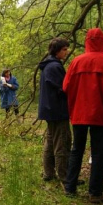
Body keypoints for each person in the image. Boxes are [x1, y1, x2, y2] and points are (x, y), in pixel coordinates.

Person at [62, 28, 103, 203]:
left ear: (87, 41)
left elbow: (66, 86)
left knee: (77, 149)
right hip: (100, 113)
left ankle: (70, 188)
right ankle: (95, 193)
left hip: (79, 113)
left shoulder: (76, 61)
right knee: (99, 153)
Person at [38, 38, 71, 183]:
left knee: (51, 142)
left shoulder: (49, 65)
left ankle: (48, 173)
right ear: (57, 50)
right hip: (57, 110)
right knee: (61, 143)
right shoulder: (54, 67)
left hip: (49, 110)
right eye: (64, 49)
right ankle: (64, 176)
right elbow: (63, 89)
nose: (67, 51)